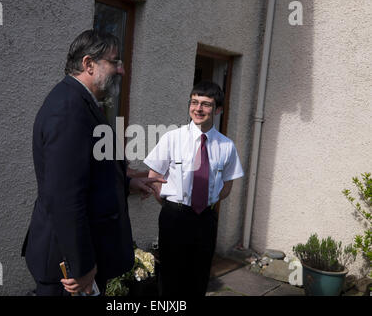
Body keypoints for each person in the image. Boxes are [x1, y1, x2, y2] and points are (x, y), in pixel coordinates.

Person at [21, 29, 165, 296]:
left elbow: (90, 174)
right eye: (114, 62)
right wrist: (82, 265)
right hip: (68, 269)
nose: (121, 70)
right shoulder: (68, 110)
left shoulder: (82, 103)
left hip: (81, 258)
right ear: (89, 64)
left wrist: (129, 181)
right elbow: (64, 196)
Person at [143, 81, 244, 296]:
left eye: (206, 104)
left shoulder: (227, 146)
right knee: (170, 277)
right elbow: (154, 178)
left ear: (218, 110)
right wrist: (173, 205)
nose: (198, 109)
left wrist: (208, 204)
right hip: (174, 217)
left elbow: (227, 185)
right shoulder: (172, 138)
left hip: (205, 219)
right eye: (194, 102)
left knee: (199, 277)